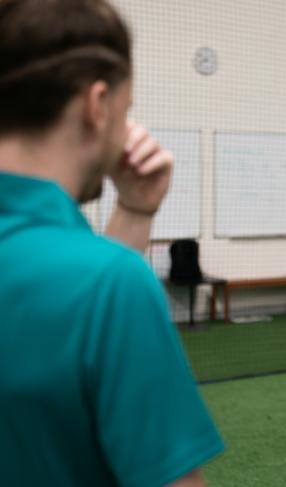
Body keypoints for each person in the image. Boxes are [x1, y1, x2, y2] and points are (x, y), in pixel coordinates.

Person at [0, 1, 224, 486]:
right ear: (96, 105)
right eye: (127, 110)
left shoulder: (91, 280)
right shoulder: (107, 285)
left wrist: (135, 211)